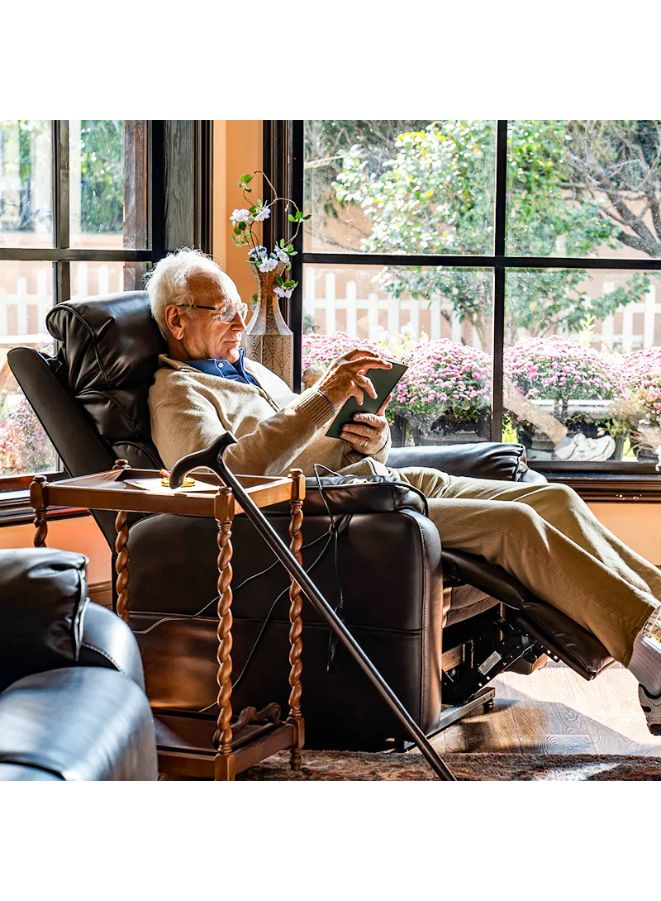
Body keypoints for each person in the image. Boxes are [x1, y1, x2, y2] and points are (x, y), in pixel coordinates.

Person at [147, 249, 661, 735]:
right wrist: (323, 398)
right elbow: (223, 474)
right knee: (516, 527)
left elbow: (310, 442)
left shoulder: (253, 371)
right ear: (177, 320)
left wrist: (370, 438)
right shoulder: (176, 393)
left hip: (378, 479)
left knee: (555, 499)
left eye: (240, 310)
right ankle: (652, 670)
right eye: (224, 313)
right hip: (343, 510)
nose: (240, 324)